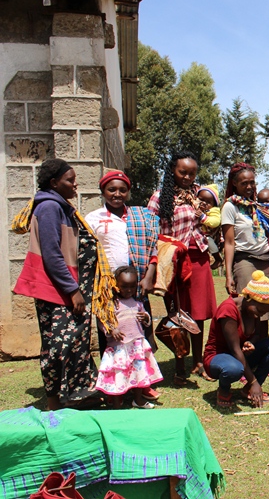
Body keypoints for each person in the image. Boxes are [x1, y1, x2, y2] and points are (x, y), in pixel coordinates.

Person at [12, 159, 116, 410]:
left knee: (73, 341)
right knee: (59, 344)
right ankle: (55, 401)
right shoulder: (49, 207)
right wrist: (73, 291)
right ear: (54, 183)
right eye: (70, 180)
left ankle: (76, 394)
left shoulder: (61, 206)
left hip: (67, 289)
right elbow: (51, 253)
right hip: (59, 290)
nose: (75, 184)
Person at [85, 170, 161, 401]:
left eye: (122, 190)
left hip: (135, 282)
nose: (117, 194)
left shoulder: (141, 216)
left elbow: (152, 247)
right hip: (108, 285)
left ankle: (143, 381)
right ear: (103, 192)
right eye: (111, 189)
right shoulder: (94, 218)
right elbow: (88, 250)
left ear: (128, 192)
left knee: (140, 330)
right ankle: (112, 382)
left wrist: (149, 275)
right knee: (110, 333)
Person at [148, 150, 217, 384]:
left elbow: (212, 221)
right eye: (182, 172)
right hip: (173, 261)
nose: (187, 177)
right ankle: (179, 367)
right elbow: (151, 229)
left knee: (198, 312)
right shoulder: (160, 197)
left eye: (192, 173)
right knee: (177, 312)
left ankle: (198, 361)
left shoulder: (200, 195)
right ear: (172, 171)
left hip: (198, 258)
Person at [203, 271, 269, 408]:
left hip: (240, 355)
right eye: (260, 311)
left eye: (263, 313)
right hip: (219, 357)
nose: (260, 316)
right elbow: (235, 349)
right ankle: (224, 390)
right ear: (250, 298)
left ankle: (248, 389)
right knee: (233, 369)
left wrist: (251, 343)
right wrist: (254, 381)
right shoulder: (229, 309)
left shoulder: (253, 311)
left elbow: (256, 335)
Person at [95, 266, 163, 409]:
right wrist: (111, 330)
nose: (129, 290)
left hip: (136, 345)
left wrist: (145, 317)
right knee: (118, 374)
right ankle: (116, 403)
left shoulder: (137, 303)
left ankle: (137, 400)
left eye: (132, 286)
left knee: (139, 373)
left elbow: (146, 318)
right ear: (116, 285)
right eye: (124, 287)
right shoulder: (112, 304)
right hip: (119, 347)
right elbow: (103, 321)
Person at [221, 163, 269, 297]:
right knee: (249, 305)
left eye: (252, 183)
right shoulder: (230, 207)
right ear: (234, 183)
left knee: (265, 307)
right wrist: (228, 276)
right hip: (245, 260)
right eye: (244, 183)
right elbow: (229, 242)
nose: (249, 187)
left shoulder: (258, 206)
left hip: (266, 260)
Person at [197, 184, 223, 270]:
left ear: (214, 204)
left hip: (210, 235)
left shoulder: (214, 210)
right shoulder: (195, 208)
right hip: (198, 235)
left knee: (209, 240)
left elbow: (215, 222)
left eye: (208, 202)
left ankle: (218, 259)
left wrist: (203, 217)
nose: (204, 203)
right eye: (201, 199)